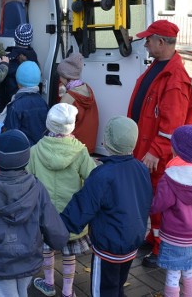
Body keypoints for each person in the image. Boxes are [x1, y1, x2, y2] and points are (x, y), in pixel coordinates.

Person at [0, 130, 69, 297]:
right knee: (22, 292)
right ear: (26, 158)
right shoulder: (38, 189)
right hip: (28, 258)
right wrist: (60, 240)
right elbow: (52, 226)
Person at [126, 20, 192, 268]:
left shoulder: (174, 78)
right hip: (147, 148)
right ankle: (152, 237)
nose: (145, 43)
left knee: (158, 202)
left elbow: (172, 125)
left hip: (160, 155)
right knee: (150, 198)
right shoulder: (160, 66)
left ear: (161, 42)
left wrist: (155, 151)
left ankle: (160, 247)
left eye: (148, 39)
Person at [60, 116, 152, 297]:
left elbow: (82, 207)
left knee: (103, 291)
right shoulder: (141, 168)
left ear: (107, 142)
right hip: (132, 240)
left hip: (109, 246)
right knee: (117, 285)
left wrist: (59, 227)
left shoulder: (102, 175)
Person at [28, 103, 97, 297]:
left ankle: (49, 282)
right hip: (72, 215)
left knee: (47, 250)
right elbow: (92, 177)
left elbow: (27, 178)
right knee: (69, 254)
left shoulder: (35, 151)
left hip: (45, 214)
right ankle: (68, 291)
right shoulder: (80, 151)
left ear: (49, 124)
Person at [151, 124, 192, 297]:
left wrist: (148, 204)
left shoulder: (170, 177)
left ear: (178, 150)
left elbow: (158, 204)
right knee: (188, 271)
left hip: (173, 235)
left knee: (172, 274)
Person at [56, 52, 99, 155]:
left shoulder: (69, 98)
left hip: (75, 150)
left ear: (66, 78)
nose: (59, 79)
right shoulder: (87, 89)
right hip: (88, 147)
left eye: (60, 76)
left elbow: (59, 127)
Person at [0, 61, 48, 144]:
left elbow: (11, 134)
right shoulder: (43, 102)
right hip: (39, 149)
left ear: (18, 82)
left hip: (23, 151)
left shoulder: (15, 106)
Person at [2, 23, 39, 106]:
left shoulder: (9, 57)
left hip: (12, 99)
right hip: (30, 100)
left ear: (15, 38)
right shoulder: (33, 56)